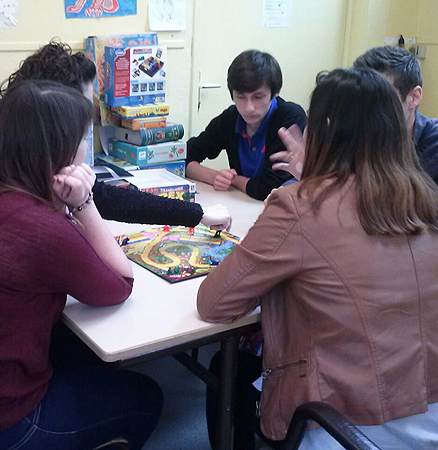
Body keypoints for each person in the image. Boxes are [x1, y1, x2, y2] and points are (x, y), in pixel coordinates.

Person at [0, 80, 163, 449]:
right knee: (147, 396)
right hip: (6, 419)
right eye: (82, 141)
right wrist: (84, 204)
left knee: (84, 357)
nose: (85, 151)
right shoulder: (35, 226)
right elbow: (120, 283)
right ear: (58, 153)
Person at [198, 68, 438, 449]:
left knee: (230, 368)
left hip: (348, 427)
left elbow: (213, 303)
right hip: (427, 418)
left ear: (322, 129)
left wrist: (307, 186)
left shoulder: (301, 206)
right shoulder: (425, 196)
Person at [0, 39, 231, 290]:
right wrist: (84, 206)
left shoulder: (6, 135)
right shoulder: (6, 167)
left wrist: (195, 214)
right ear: (55, 110)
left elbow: (95, 197)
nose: (86, 128)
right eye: (81, 112)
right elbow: (117, 281)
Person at [273, 46, 438, 186]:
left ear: (414, 97)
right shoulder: (354, 133)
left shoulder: (433, 143)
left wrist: (311, 178)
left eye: (381, 98)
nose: (365, 108)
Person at [185, 50, 306, 201]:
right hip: (243, 204)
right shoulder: (231, 118)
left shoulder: (290, 117)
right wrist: (215, 176)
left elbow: (265, 188)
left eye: (258, 97)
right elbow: (183, 156)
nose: (249, 108)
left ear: (275, 93)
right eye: (240, 97)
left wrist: (234, 180)